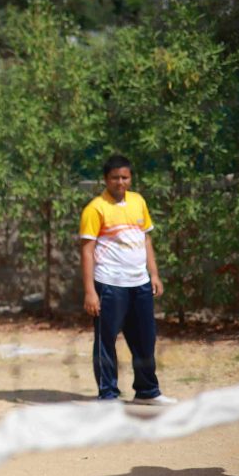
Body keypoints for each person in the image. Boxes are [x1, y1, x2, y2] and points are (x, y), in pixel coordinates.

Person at [80, 155, 176, 405]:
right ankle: (108, 395)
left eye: (125, 177)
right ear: (105, 179)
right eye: (115, 177)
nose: (120, 182)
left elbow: (146, 240)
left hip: (140, 284)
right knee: (106, 340)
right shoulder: (95, 208)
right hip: (110, 284)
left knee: (145, 338)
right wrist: (90, 291)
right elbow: (87, 251)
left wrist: (153, 274)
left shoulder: (138, 201)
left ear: (131, 178)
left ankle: (147, 391)